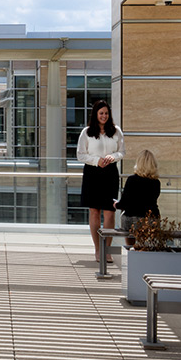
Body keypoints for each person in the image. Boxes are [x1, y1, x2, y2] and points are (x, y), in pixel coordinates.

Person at [77, 101, 124, 266]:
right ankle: (98, 249)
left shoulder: (116, 131)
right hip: (92, 173)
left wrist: (114, 157)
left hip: (110, 173)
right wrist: (97, 161)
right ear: (95, 115)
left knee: (110, 212)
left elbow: (122, 151)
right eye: (101, 113)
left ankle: (107, 250)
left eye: (106, 113)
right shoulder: (87, 132)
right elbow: (80, 155)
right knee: (94, 212)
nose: (104, 116)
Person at [115, 150, 162, 222]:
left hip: (132, 217)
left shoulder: (132, 180)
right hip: (152, 218)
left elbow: (124, 203)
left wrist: (116, 205)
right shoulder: (156, 182)